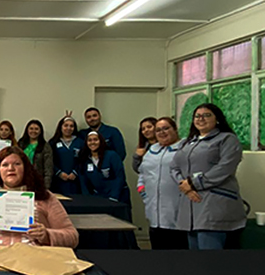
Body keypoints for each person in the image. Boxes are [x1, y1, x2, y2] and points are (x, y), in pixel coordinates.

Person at [0, 146, 78, 248]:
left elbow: (72, 237)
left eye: (17, 164)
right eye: (5, 165)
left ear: (26, 168)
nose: (11, 168)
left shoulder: (44, 196)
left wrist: (47, 235)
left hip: (35, 261)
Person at [171, 104, 246, 250]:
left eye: (207, 115)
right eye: (197, 116)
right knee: (195, 259)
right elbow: (174, 167)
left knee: (210, 258)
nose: (201, 119)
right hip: (190, 204)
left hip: (214, 204)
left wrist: (193, 184)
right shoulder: (189, 142)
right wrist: (186, 187)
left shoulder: (227, 139)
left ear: (217, 119)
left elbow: (225, 168)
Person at [137, 117, 187, 249]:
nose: (162, 132)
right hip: (154, 213)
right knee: (158, 252)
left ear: (175, 129)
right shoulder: (152, 151)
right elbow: (142, 173)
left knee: (178, 254)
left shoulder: (185, 149)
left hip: (179, 213)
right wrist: (143, 192)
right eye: (158, 130)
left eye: (166, 128)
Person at [78, 131, 131, 208]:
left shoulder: (112, 155)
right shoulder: (85, 160)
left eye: (95, 140)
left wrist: (114, 197)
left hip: (118, 197)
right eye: (89, 140)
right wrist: (87, 198)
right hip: (99, 197)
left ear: (101, 141)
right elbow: (84, 182)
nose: (92, 142)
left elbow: (120, 177)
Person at [49, 113, 84, 195]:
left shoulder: (80, 142)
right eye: (66, 125)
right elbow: (49, 161)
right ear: (61, 127)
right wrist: (59, 173)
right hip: (58, 181)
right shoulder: (53, 142)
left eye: (71, 126)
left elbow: (84, 160)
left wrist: (75, 172)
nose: (68, 128)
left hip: (75, 181)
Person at [18, 119, 54, 189]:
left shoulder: (45, 146)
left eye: (36, 129)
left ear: (40, 131)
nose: (33, 131)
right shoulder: (20, 144)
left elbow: (48, 169)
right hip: (20, 180)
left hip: (37, 182)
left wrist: (46, 187)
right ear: (27, 130)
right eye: (31, 129)